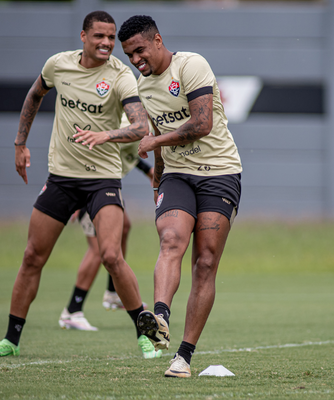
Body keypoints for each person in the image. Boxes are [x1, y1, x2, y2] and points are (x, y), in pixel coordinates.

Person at [0, 11, 162, 359]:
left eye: (111, 38)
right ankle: (10, 340)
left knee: (110, 254)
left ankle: (144, 332)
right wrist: (20, 144)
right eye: (100, 37)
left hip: (102, 181)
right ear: (83, 36)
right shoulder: (58, 65)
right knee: (32, 256)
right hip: (61, 178)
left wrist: (104, 134)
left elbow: (140, 127)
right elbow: (35, 96)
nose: (107, 43)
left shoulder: (121, 76)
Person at [118, 15, 243, 378]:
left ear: (158, 40)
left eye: (140, 50)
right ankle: (159, 318)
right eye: (129, 55)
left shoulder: (191, 65)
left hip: (220, 173)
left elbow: (202, 125)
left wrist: (155, 141)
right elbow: (156, 129)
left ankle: (184, 357)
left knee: (204, 262)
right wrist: (157, 175)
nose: (136, 60)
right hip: (176, 175)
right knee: (171, 240)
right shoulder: (143, 85)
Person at [59, 138, 154, 333]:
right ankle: (72, 311)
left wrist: (147, 170)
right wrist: (74, 194)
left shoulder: (132, 123)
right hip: (89, 187)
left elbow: (126, 151)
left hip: (103, 188)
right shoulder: (124, 122)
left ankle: (113, 293)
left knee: (124, 227)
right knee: (97, 250)